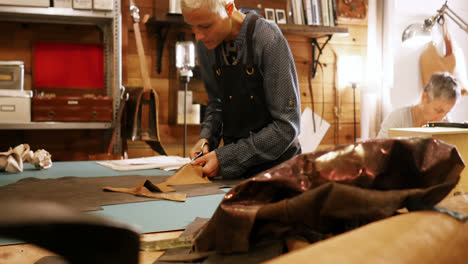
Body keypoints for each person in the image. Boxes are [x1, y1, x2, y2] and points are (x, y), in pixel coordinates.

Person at [181, 0, 301, 179]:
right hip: (238, 174)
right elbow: (217, 103)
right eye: (192, 27)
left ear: (229, 9)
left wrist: (226, 157)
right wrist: (206, 138)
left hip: (280, 173)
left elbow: (287, 127)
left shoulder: (268, 39)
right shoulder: (205, 46)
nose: (198, 36)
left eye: (205, 26)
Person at [377, 72, 461, 138]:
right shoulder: (398, 119)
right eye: (438, 110)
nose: (440, 119)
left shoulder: (446, 123)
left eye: (446, 113)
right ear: (424, 97)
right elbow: (377, 153)